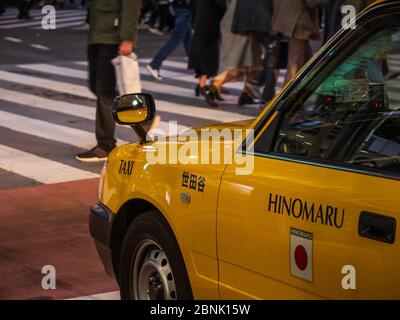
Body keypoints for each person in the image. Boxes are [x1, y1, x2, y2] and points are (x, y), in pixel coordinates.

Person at [76, 0, 140, 162]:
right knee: (96, 86)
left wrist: (127, 38)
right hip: (96, 34)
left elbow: (131, 7)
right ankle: (141, 117)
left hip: (113, 37)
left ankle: (105, 145)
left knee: (104, 90)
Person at [208, 0, 264, 107]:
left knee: (251, 62)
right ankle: (214, 85)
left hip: (239, 20)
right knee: (241, 62)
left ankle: (247, 93)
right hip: (242, 23)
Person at [273, 0, 328, 84]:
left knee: (309, 63)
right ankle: (287, 95)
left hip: (288, 18)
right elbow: (313, 2)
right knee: (294, 65)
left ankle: (311, 90)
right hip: (297, 21)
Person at [188, 0, 226, 107]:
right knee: (208, 55)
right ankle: (204, 87)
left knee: (205, 52)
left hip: (201, 19)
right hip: (209, 21)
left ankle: (203, 85)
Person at [146, 0, 193, 81]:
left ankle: (194, 64)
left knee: (187, 37)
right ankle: (155, 64)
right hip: (185, 6)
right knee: (176, 38)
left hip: (177, 6)